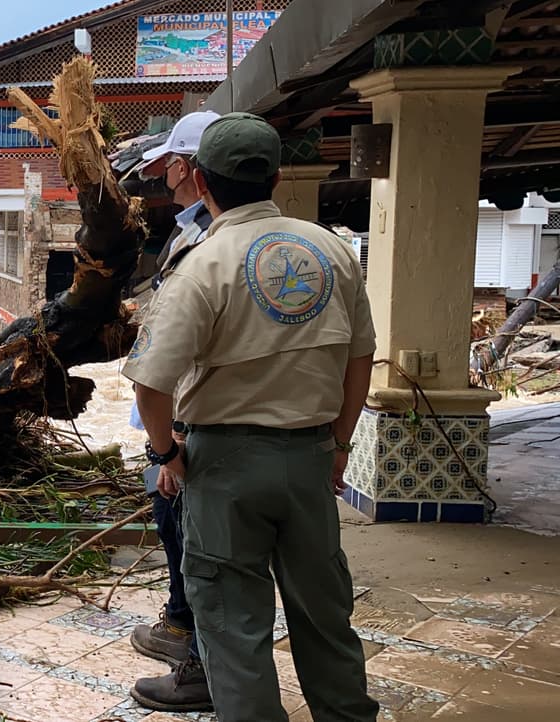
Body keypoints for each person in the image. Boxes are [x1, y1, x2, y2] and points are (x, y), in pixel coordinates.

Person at [122, 112, 380, 722]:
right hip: (311, 458)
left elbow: (150, 384)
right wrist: (339, 445)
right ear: (277, 176)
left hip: (226, 467)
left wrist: (167, 455)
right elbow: (361, 357)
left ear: (203, 182)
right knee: (325, 616)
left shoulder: (203, 263)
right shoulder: (333, 251)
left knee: (234, 628)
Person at [123, 110, 218, 713]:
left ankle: (196, 651)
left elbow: (188, 356)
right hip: (187, 418)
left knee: (193, 536)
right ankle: (183, 621)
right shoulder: (194, 231)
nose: (164, 178)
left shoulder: (213, 243)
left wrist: (170, 446)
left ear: (191, 168)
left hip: (190, 421)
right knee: (175, 525)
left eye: (171, 167)